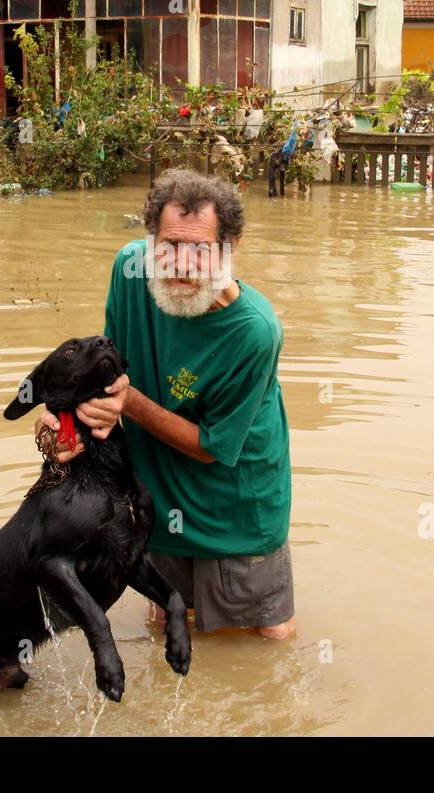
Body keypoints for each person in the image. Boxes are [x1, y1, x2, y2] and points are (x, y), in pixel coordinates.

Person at [37, 169, 295, 639]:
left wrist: (128, 402)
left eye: (200, 250)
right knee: (167, 624)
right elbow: (107, 373)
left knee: (268, 638)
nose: (181, 264)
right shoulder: (130, 271)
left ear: (228, 248)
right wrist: (61, 426)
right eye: (169, 245)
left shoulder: (255, 332)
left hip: (236, 506)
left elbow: (210, 448)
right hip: (158, 497)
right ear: (150, 240)